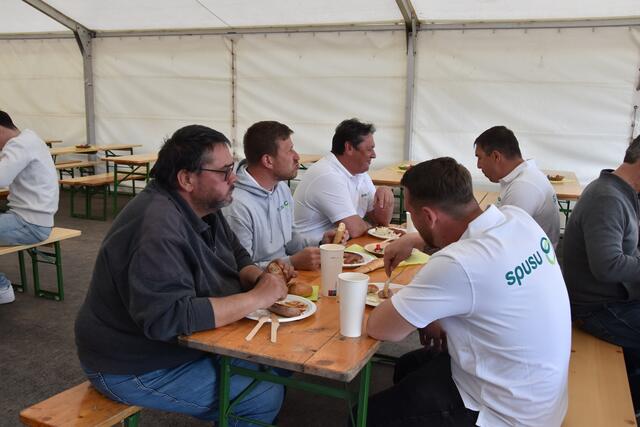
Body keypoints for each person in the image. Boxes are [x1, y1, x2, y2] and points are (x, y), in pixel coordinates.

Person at [75, 125, 289, 425]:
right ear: (186, 178)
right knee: (261, 395)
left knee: (277, 361)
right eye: (224, 171)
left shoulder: (204, 206)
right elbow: (168, 318)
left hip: (173, 345)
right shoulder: (157, 228)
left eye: (233, 168)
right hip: (130, 365)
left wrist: (262, 279)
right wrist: (257, 298)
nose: (234, 178)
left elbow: (238, 255)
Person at [365, 157, 571, 426]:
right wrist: (416, 240)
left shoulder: (458, 262)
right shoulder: (517, 219)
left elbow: (381, 328)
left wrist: (424, 314)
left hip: (507, 413)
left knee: (363, 415)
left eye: (412, 214)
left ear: (428, 216)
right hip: (541, 392)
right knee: (409, 365)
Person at [563, 135, 640, 414]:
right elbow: (608, 265)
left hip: (613, 301)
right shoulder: (607, 198)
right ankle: (625, 407)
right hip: (596, 309)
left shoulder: (620, 192)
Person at [223, 121, 346, 270]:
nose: (297, 156)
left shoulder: (281, 187)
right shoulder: (236, 205)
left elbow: (291, 240)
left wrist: (321, 243)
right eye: (290, 150)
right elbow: (241, 270)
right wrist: (291, 262)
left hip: (287, 275)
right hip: (262, 282)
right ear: (268, 161)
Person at [293, 118, 394, 243]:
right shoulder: (327, 174)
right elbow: (355, 230)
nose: (374, 155)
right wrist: (372, 227)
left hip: (339, 246)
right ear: (349, 148)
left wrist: (386, 196)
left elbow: (381, 223)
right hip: (312, 250)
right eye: (369, 149)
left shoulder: (360, 173)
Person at [0, 111, 59, 304]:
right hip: (35, 220)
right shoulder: (30, 139)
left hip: (29, 224)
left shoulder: (18, 145)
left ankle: (2, 288)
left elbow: (1, 178)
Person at [474, 125, 560, 248]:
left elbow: (503, 241)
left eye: (480, 158)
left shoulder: (523, 187)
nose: (478, 165)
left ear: (496, 156)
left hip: (531, 254)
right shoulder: (525, 175)